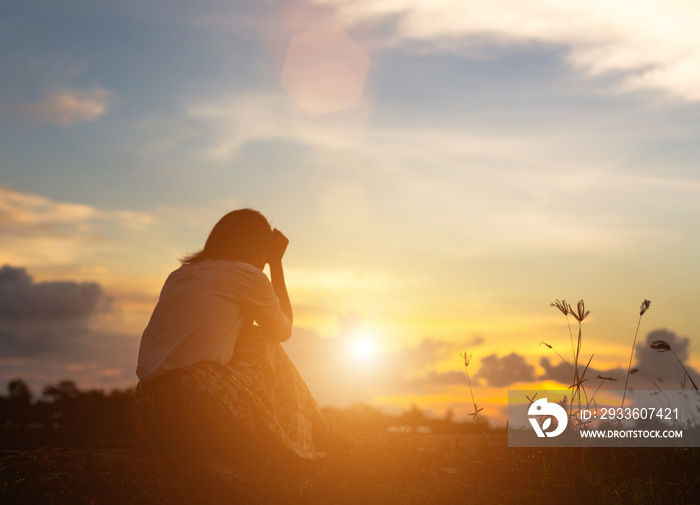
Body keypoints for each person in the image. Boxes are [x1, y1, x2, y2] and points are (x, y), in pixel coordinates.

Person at [134, 208, 343, 463]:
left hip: (150, 406)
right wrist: (276, 265)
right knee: (263, 342)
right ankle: (321, 430)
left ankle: (322, 428)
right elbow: (283, 330)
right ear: (257, 249)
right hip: (200, 398)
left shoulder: (179, 275)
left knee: (248, 336)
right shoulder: (248, 275)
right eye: (264, 257)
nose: (262, 264)